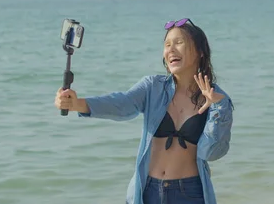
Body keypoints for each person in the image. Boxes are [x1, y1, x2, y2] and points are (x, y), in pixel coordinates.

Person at [54, 18, 234, 204]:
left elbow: (211, 153)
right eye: (167, 44)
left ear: (200, 51)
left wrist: (218, 110)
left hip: (190, 193)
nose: (170, 49)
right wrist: (78, 104)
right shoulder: (152, 87)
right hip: (148, 191)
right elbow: (122, 104)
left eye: (179, 42)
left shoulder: (218, 98)